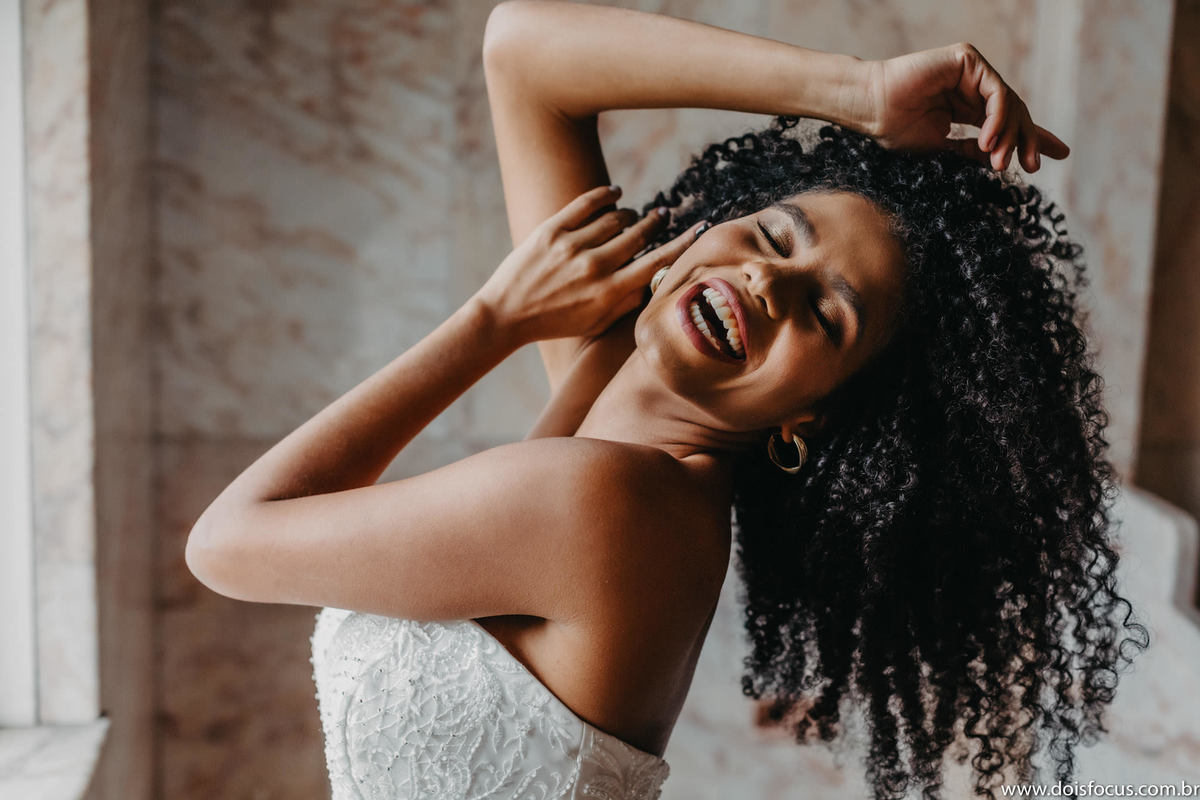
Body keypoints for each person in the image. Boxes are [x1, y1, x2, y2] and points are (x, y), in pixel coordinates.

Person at [185, 2, 1149, 799]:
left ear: (808, 417)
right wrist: (855, 90)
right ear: (715, 229)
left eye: (825, 314)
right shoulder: (614, 410)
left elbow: (226, 544)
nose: (772, 285)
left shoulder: (610, 506)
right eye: (776, 237)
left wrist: (491, 320)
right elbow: (521, 51)